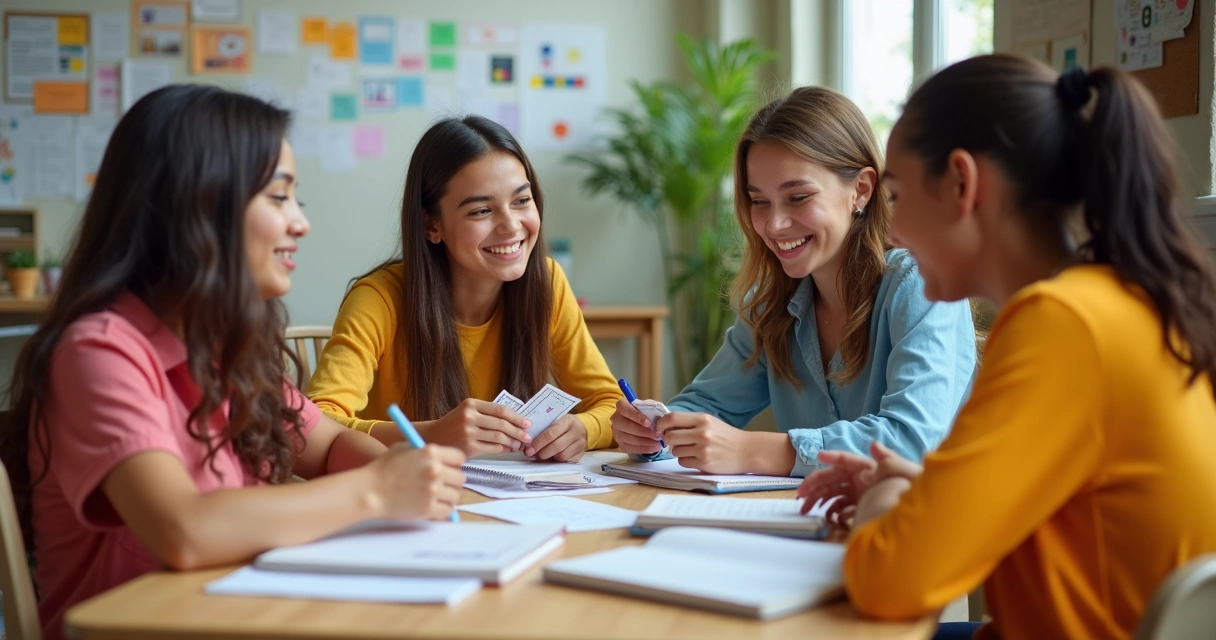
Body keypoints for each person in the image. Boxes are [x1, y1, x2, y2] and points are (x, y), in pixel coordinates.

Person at [0, 85, 466, 640]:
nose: (301, 224)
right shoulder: (97, 352)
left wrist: (410, 477)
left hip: (239, 615)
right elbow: (184, 531)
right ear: (198, 207)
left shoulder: (223, 350)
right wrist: (377, 492)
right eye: (278, 198)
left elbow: (330, 445)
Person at [798, 55, 1216, 639]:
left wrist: (886, 496)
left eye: (896, 195)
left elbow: (889, 580)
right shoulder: (1119, 301)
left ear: (963, 184)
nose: (889, 230)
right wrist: (923, 491)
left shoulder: (1061, 326)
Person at [610, 87, 976, 476]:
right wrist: (654, 432)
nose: (773, 224)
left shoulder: (922, 285)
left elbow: (911, 443)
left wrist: (754, 450)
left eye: (798, 197)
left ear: (862, 190)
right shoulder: (770, 305)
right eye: (759, 201)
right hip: (821, 525)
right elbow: (707, 405)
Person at [307, 116, 620, 462]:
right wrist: (431, 435)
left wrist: (583, 429)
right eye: (482, 210)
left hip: (507, 500)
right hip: (402, 494)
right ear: (432, 224)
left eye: (521, 201)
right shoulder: (379, 298)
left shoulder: (546, 281)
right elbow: (315, 423)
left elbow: (609, 402)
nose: (511, 226)